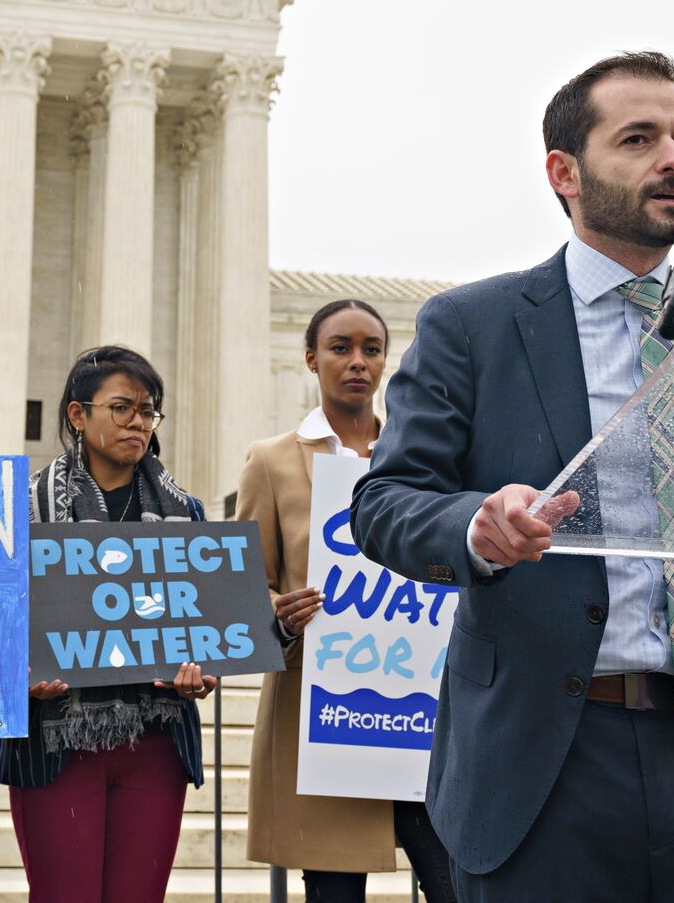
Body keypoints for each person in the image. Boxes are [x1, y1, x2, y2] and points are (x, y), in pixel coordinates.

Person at [350, 51, 674, 902]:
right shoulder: (474, 325)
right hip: (543, 761)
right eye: (639, 138)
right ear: (566, 172)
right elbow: (386, 502)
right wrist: (478, 524)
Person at [239, 299, 458, 902]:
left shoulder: (425, 462)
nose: (357, 362)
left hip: (421, 713)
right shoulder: (273, 461)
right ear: (310, 359)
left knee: (453, 880)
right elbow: (244, 592)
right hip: (325, 714)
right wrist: (279, 614)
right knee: (333, 889)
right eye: (340, 348)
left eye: (372, 348)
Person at [0, 345, 216, 903]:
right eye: (122, 407)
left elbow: (205, 629)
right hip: (55, 742)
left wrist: (204, 672)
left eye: (147, 410)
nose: (137, 422)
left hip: (156, 744)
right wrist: (16, 678)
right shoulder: (22, 511)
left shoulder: (185, 514)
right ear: (77, 415)